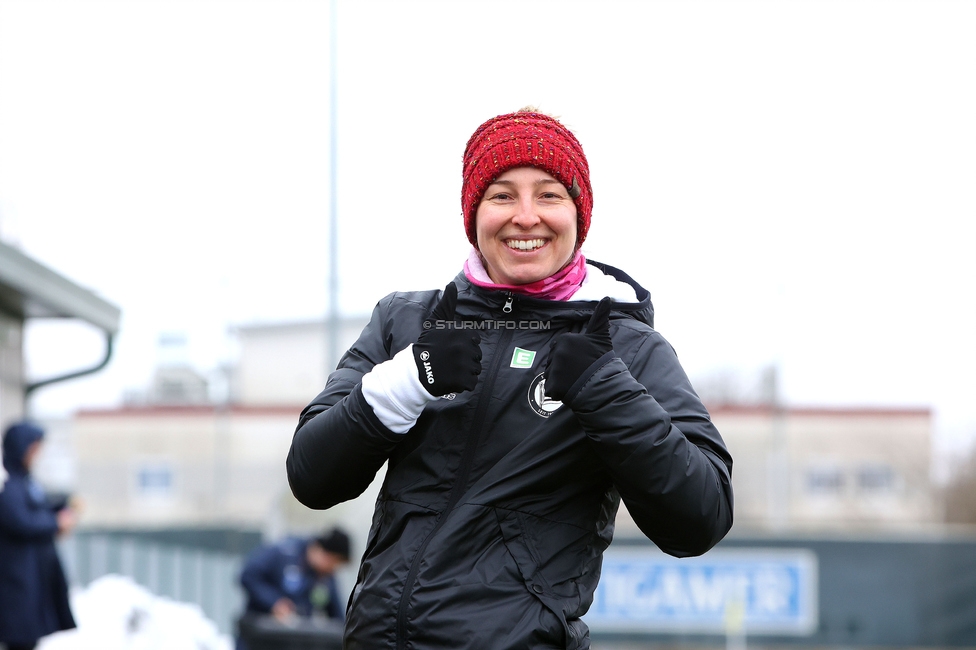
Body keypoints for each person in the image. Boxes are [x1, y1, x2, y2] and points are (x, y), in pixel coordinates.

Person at [286, 108, 734, 650]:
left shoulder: (627, 346)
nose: (526, 217)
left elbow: (701, 517)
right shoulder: (405, 322)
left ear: (578, 213)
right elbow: (312, 476)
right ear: (474, 213)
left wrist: (603, 389)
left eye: (549, 195)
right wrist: (406, 381)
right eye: (501, 195)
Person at [0, 421, 77, 650]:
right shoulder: (7, 483)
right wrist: (55, 522)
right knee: (20, 639)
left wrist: (60, 510)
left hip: (32, 576)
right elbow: (20, 521)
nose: (36, 454)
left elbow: (36, 509)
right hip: (16, 580)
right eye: (33, 448)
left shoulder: (25, 481)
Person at [236, 527, 351, 647]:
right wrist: (274, 603)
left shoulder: (325, 577)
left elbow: (338, 617)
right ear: (321, 551)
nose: (332, 569)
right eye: (332, 562)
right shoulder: (283, 552)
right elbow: (248, 576)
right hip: (258, 638)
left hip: (292, 642)